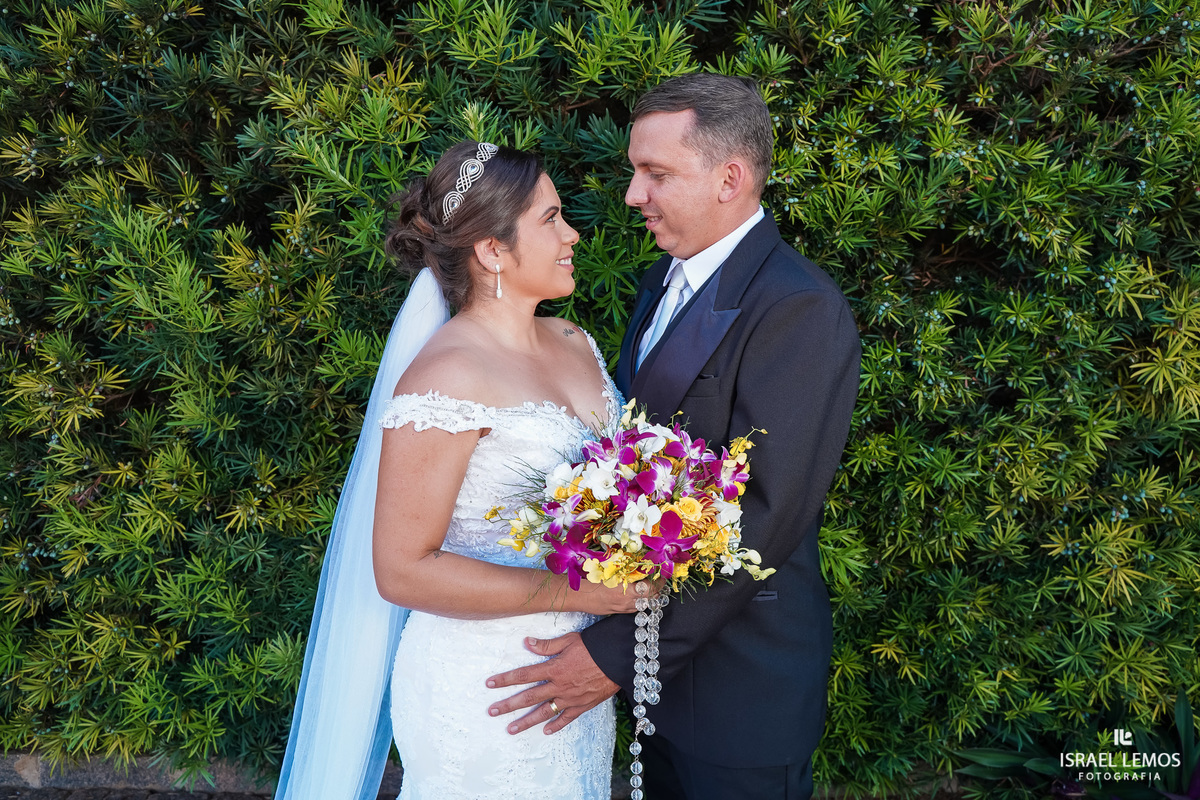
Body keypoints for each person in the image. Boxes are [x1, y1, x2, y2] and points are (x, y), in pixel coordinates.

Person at [485, 74, 862, 798]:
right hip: (662, 686)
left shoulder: (799, 308)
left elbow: (765, 517)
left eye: (655, 173)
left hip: (741, 688)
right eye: (636, 171)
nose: (633, 195)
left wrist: (614, 657)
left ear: (730, 178)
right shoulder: (662, 282)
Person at [273, 140, 651, 800]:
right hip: (485, 688)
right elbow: (401, 568)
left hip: (576, 680)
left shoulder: (574, 343)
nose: (573, 234)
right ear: (492, 251)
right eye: (551, 219)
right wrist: (580, 592)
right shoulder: (446, 377)